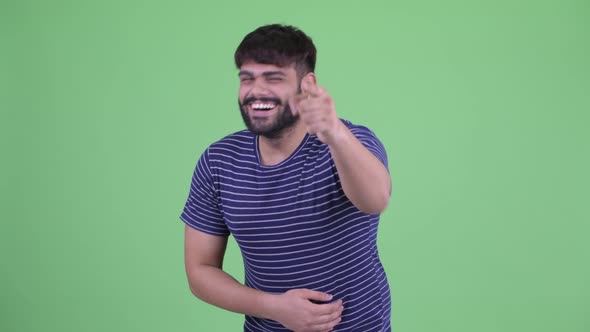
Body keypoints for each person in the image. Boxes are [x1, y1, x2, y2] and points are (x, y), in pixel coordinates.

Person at [180, 24, 392, 332]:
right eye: (247, 78)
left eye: (274, 78)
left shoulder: (351, 141)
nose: (256, 91)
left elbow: (375, 200)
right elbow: (200, 271)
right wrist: (274, 307)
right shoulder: (218, 161)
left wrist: (333, 132)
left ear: (307, 85)